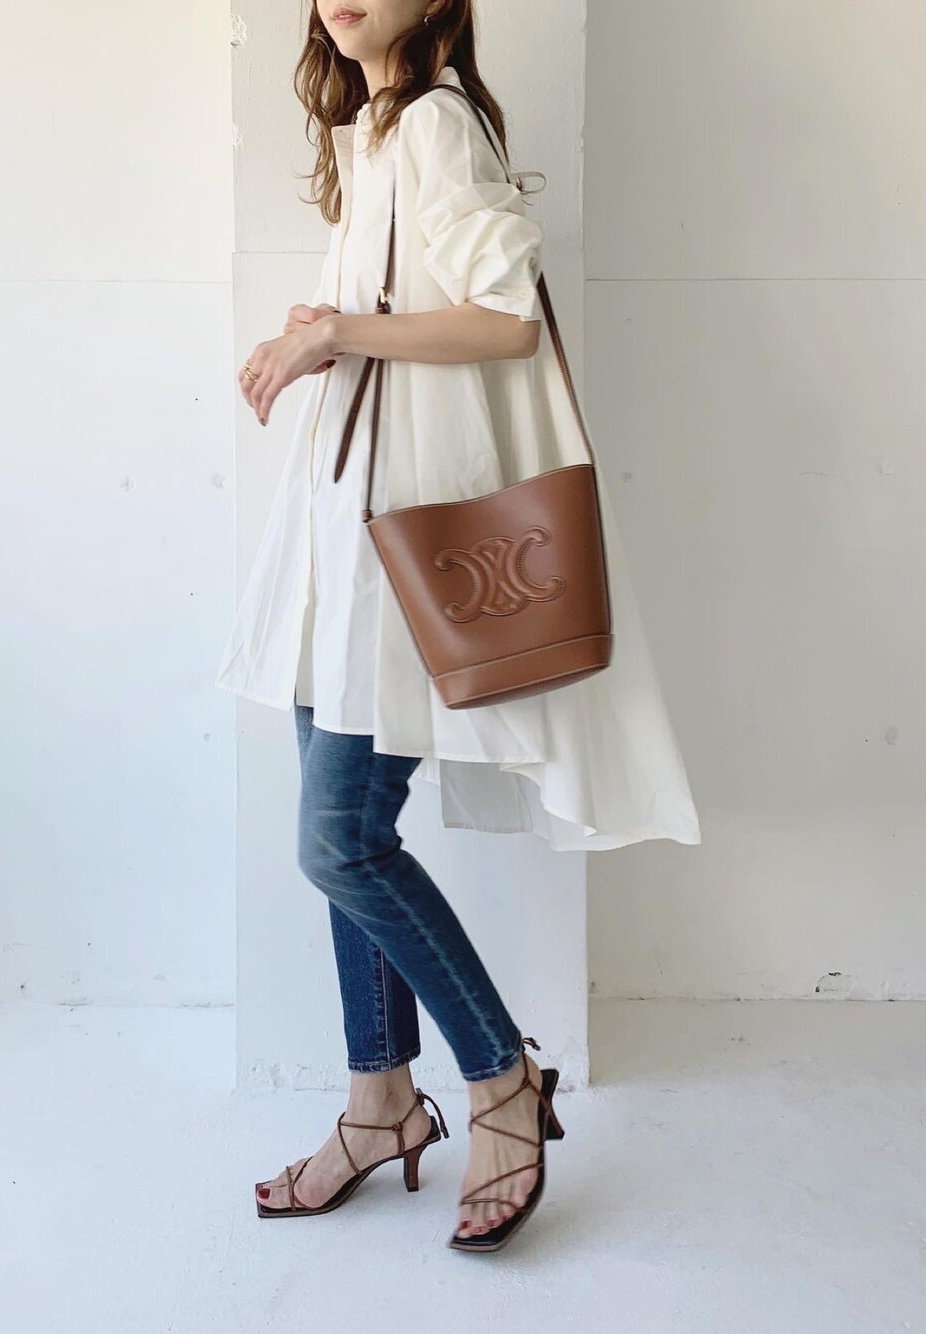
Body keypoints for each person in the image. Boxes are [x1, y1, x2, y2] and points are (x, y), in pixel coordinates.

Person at [220, 0, 701, 1254]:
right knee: (347, 837)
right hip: (341, 538)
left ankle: (499, 1077)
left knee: (340, 841)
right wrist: (320, 331)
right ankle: (379, 1100)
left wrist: (338, 332)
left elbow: (505, 318)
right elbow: (404, 315)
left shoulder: (434, 122)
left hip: (392, 550)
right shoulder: (379, 128)